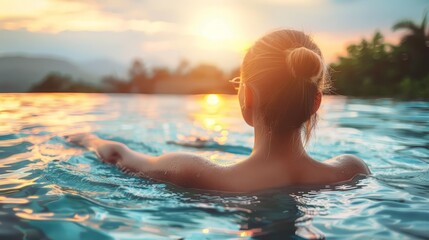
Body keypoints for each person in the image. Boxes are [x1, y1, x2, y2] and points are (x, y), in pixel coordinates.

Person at [67, 29, 370, 192]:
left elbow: (118, 156)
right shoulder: (349, 171)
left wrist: (87, 139)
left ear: (246, 98)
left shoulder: (196, 174)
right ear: (316, 102)